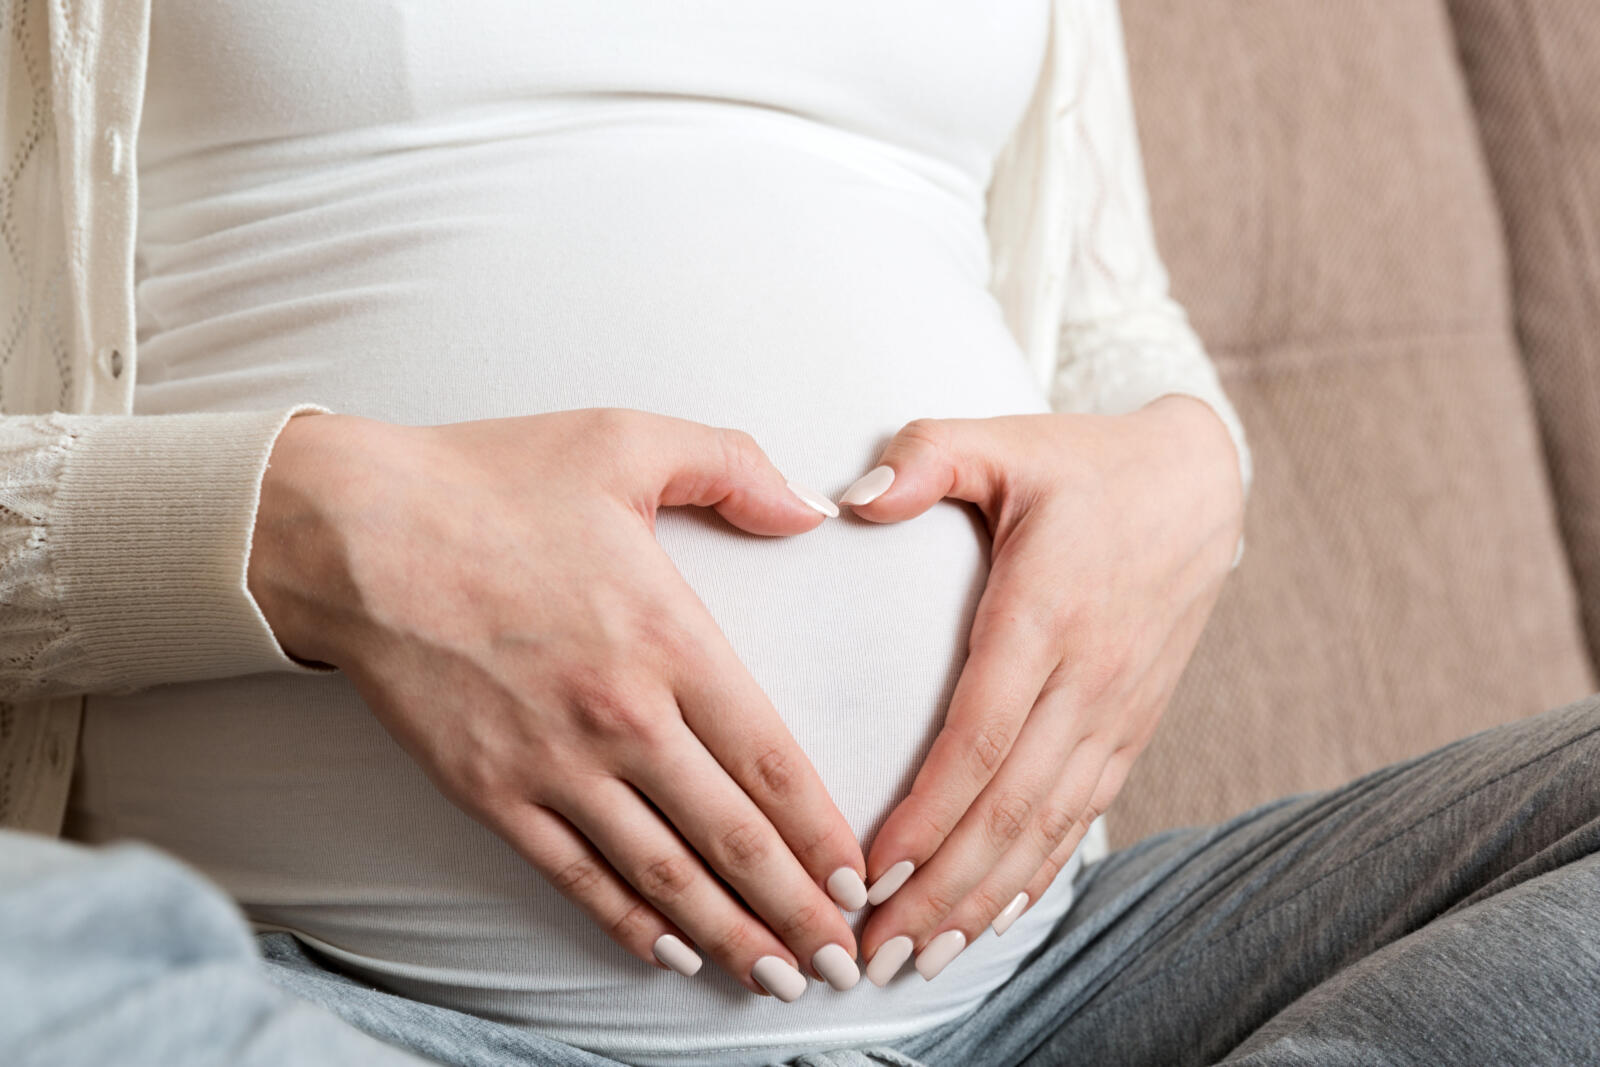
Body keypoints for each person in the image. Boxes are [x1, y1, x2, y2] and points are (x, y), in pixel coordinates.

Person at [2, 2, 1596, 1066]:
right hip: (348, 1009)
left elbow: (1116, 327)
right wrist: (303, 531)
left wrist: (1188, 477)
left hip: (1070, 997)